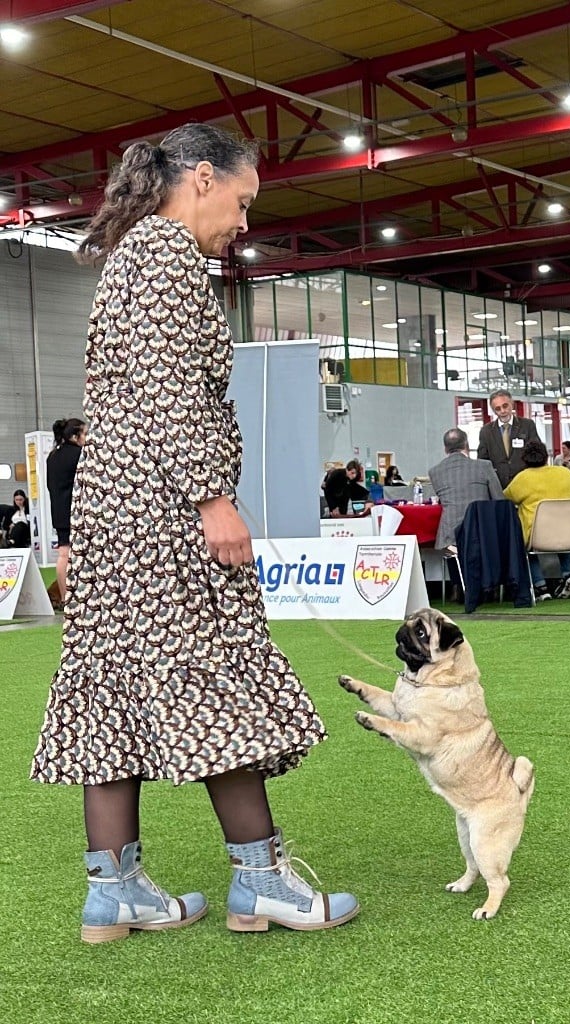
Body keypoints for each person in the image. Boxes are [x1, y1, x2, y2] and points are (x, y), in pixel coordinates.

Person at [31, 123, 358, 944]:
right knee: (210, 677)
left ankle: (115, 892)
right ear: (203, 178)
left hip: (113, 512)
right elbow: (172, 392)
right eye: (242, 201)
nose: (243, 222)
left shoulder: (130, 257)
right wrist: (215, 500)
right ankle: (259, 884)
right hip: (163, 509)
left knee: (111, 684)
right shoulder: (170, 256)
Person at [504, 440, 570, 601]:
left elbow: (505, 498)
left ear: (524, 459)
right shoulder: (564, 473)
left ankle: (540, 586)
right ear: (546, 457)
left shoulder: (522, 478)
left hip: (538, 536)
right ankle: (567, 576)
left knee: (524, 547)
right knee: (564, 532)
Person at [429, 428, 504, 601]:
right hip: (481, 533)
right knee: (487, 544)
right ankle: (488, 587)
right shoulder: (484, 466)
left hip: (451, 537)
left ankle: (457, 585)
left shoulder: (435, 472)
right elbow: (499, 499)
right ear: (466, 445)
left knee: (453, 550)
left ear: (445, 449)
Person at [46, 417, 87, 600]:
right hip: (79, 510)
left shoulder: (52, 456)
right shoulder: (80, 454)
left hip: (59, 510)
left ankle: (65, 597)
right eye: (85, 434)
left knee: (63, 553)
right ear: (75, 436)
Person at [477, 389, 540, 487]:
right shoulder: (486, 431)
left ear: (512, 403)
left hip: (525, 482)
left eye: (505, 406)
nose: (502, 411)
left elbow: (536, 454)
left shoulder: (527, 425)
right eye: (497, 408)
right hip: (498, 485)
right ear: (493, 410)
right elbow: (482, 460)